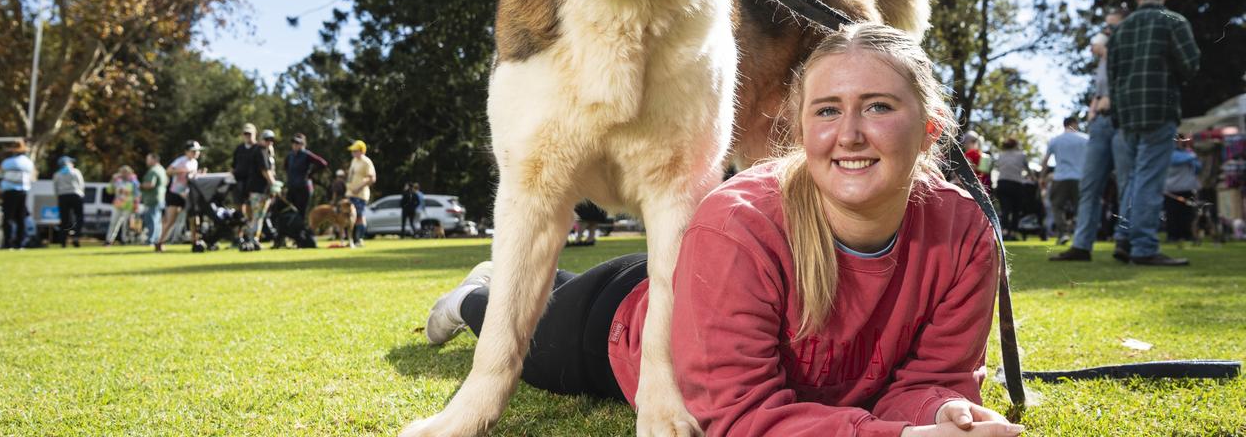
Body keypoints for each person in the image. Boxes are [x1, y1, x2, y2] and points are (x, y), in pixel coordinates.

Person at [421, 23, 1022, 436]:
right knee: (528, 328)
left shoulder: (966, 235)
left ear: (932, 129)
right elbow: (737, 418)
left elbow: (932, 380)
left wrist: (940, 414)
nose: (850, 134)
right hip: (622, 324)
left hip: (701, 280)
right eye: (828, 110)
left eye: (880, 106)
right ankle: (473, 294)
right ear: (802, 127)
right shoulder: (741, 223)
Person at [1109, 0, 1200, 267]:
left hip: (1127, 115)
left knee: (1135, 178)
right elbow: (1190, 65)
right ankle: (1144, 246)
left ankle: (1125, 238)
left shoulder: (1122, 28)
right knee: (1148, 179)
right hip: (1159, 109)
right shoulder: (1174, 21)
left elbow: (1113, 75)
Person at [1052, 11, 1126, 261]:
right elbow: (1099, 90)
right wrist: (1094, 109)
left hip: (1121, 121)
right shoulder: (1103, 63)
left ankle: (1125, 242)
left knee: (1126, 184)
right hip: (1101, 124)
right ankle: (1082, 246)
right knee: (1090, 186)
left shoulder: (1125, 55)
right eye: (1106, 28)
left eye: (1111, 28)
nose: (1105, 33)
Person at [1039, 116, 1089, 245]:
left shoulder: (1056, 140)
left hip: (1060, 177)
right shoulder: (1085, 139)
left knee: (1057, 206)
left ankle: (1063, 233)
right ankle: (1081, 236)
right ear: (1075, 124)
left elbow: (1045, 160)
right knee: (1081, 208)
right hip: (1080, 177)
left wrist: (1042, 177)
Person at [990, 137, 1036, 240]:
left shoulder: (1000, 156)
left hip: (1002, 183)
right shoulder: (1022, 155)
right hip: (1016, 184)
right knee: (1016, 210)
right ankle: (1014, 232)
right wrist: (1033, 178)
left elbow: (997, 168)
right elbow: (1028, 170)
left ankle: (1005, 231)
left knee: (1005, 209)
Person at [159, 141, 201, 252]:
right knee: (171, 220)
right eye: (193, 151)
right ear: (187, 151)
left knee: (193, 218)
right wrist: (182, 170)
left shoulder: (195, 162)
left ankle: (195, 241)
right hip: (175, 193)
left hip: (188, 194)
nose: (196, 153)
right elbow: (168, 171)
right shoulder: (181, 161)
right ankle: (160, 242)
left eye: (197, 151)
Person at [1162, 136, 1201, 243]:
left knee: (1186, 214)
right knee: (1173, 214)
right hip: (1171, 191)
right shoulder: (1169, 153)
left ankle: (1186, 235)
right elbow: (1174, 160)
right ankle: (1173, 236)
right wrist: (1191, 156)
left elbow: (1198, 168)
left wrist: (1191, 157)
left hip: (1186, 188)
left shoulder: (1187, 153)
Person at [0, 139, 35, 249]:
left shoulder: (7, 162)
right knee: (21, 218)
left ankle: (8, 243)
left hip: (9, 192)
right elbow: (32, 177)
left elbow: (0, 173)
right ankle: (20, 243)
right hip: (23, 192)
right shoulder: (28, 163)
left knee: (8, 218)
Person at [244, 130, 277, 246]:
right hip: (257, 190)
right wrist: (274, 184)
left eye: (271, 140)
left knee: (260, 216)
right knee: (257, 216)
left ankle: (254, 239)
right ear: (261, 139)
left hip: (263, 190)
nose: (269, 142)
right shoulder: (260, 151)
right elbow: (265, 170)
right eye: (267, 139)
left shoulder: (265, 151)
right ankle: (251, 239)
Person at [345, 140, 376, 247]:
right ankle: (351, 240)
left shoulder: (366, 161)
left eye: (355, 150)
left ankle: (359, 239)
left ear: (362, 151)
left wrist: (359, 187)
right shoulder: (354, 160)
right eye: (352, 151)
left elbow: (372, 178)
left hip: (360, 194)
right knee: (349, 217)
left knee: (359, 216)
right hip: (350, 193)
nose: (353, 152)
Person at [52, 155, 85, 247]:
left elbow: (55, 188)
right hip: (76, 195)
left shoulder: (57, 174)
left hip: (62, 197)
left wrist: (58, 197)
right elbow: (81, 184)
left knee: (64, 219)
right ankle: (76, 237)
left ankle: (63, 241)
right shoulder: (76, 172)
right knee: (79, 217)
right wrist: (81, 194)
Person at [104, 165, 140, 246]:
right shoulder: (117, 181)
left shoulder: (134, 182)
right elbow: (109, 191)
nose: (123, 174)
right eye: (122, 172)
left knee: (125, 224)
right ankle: (109, 240)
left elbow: (137, 194)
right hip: (117, 205)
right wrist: (112, 180)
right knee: (113, 222)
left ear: (129, 173)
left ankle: (125, 240)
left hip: (128, 206)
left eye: (125, 172)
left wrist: (136, 205)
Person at [232, 124, 259, 227]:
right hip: (239, 183)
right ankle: (239, 236)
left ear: (255, 134)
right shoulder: (239, 148)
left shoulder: (258, 148)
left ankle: (250, 233)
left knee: (250, 208)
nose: (247, 136)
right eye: (245, 133)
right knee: (239, 209)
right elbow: (234, 166)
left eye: (249, 133)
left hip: (253, 185)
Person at [139, 153, 167, 249]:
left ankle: (151, 240)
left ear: (154, 160)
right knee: (157, 220)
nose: (147, 161)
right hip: (160, 198)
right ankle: (156, 240)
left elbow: (150, 184)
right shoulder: (162, 169)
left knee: (152, 220)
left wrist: (140, 185)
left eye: (148, 159)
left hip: (152, 199)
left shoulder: (153, 170)